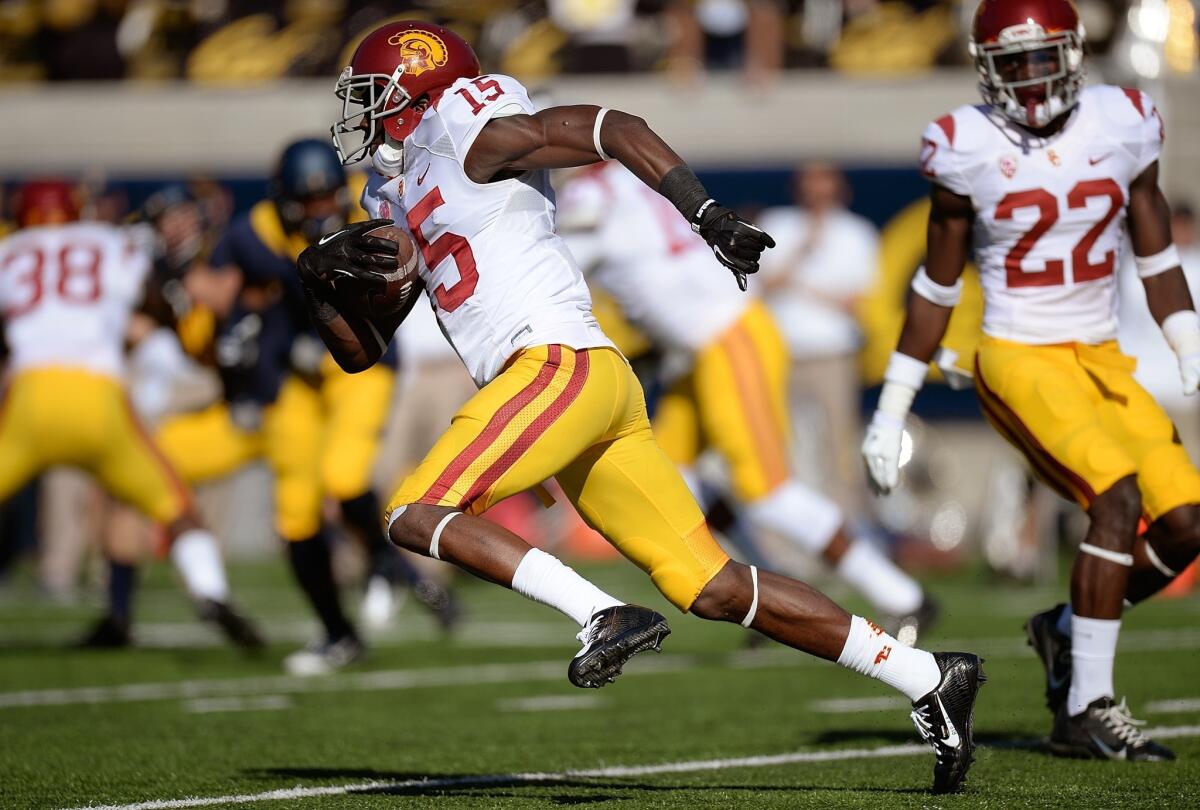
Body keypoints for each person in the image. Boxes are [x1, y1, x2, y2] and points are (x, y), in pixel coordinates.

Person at [299, 21, 984, 794]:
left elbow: (611, 127)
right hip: (583, 387)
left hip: (555, 364)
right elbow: (360, 352)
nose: (362, 114)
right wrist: (316, 282)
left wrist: (705, 211)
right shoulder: (393, 189)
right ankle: (928, 675)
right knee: (713, 587)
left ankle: (600, 614)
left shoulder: (467, 131)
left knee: (414, 512)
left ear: (417, 88)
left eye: (373, 96)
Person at [862, 0, 1198, 762]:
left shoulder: (1124, 121)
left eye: (1044, 56)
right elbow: (936, 288)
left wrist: (1187, 338)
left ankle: (1065, 630)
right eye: (1013, 62)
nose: (1032, 76)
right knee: (1115, 499)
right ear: (986, 68)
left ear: (1076, 52)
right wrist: (890, 409)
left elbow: (1154, 251)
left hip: (1101, 357)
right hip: (1017, 356)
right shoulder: (965, 143)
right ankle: (1086, 707)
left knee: (1187, 525)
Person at [559, 161, 936, 643]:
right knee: (676, 477)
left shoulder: (590, 195)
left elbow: (561, 265)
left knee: (769, 493)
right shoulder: (626, 182)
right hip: (700, 348)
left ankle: (902, 596)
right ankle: (769, 581)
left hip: (728, 338)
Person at [163, 142, 458, 674]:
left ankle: (386, 569)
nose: (322, 208)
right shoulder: (256, 232)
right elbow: (221, 296)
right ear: (285, 199)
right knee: (296, 515)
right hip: (293, 379)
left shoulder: (367, 201)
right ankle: (338, 632)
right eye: (309, 198)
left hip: (359, 366)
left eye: (327, 195)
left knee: (344, 478)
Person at [0, 179, 262, 650]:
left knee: (125, 507)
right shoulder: (110, 244)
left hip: (29, 395)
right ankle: (210, 591)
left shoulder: (10, 251)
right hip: (100, 396)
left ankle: (124, 612)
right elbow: (153, 298)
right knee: (178, 509)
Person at [757, 163, 880, 520]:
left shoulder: (857, 233)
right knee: (783, 445)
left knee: (839, 445)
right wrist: (800, 254)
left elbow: (855, 302)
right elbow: (762, 285)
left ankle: (848, 529)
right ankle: (791, 536)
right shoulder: (778, 223)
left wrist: (802, 286)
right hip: (781, 352)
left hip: (832, 354)